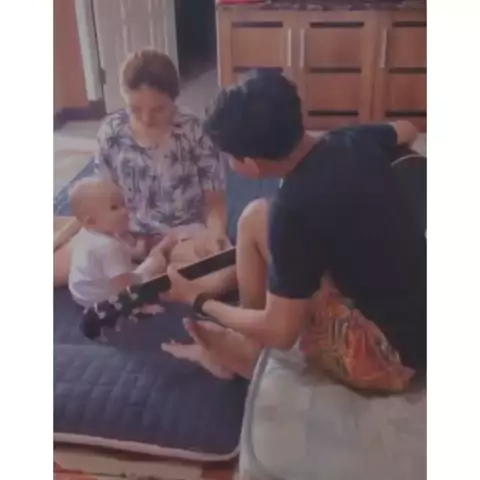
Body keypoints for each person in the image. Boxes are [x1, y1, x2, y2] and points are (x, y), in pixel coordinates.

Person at [160, 72, 426, 392]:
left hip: (392, 355)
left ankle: (247, 356)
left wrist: (198, 299)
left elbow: (281, 332)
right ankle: (246, 339)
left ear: (251, 165)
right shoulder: (349, 138)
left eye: (229, 157)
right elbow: (408, 129)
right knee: (255, 216)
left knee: (278, 310)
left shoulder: (293, 210)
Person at [54, 49, 234, 295]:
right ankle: (149, 281)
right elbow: (97, 202)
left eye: (158, 109)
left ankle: (139, 281)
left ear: (174, 98)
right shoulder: (112, 131)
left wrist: (215, 235)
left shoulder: (194, 131)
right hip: (118, 235)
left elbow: (214, 202)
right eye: (135, 108)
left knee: (227, 273)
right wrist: (65, 239)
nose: (147, 119)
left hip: (180, 235)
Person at [68, 178, 170, 308]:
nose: (125, 211)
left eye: (123, 204)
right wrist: (142, 305)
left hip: (80, 292)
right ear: (91, 221)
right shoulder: (109, 247)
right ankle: (162, 248)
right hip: (100, 299)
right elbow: (124, 287)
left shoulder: (86, 232)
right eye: (114, 207)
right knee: (156, 263)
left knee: (124, 264)